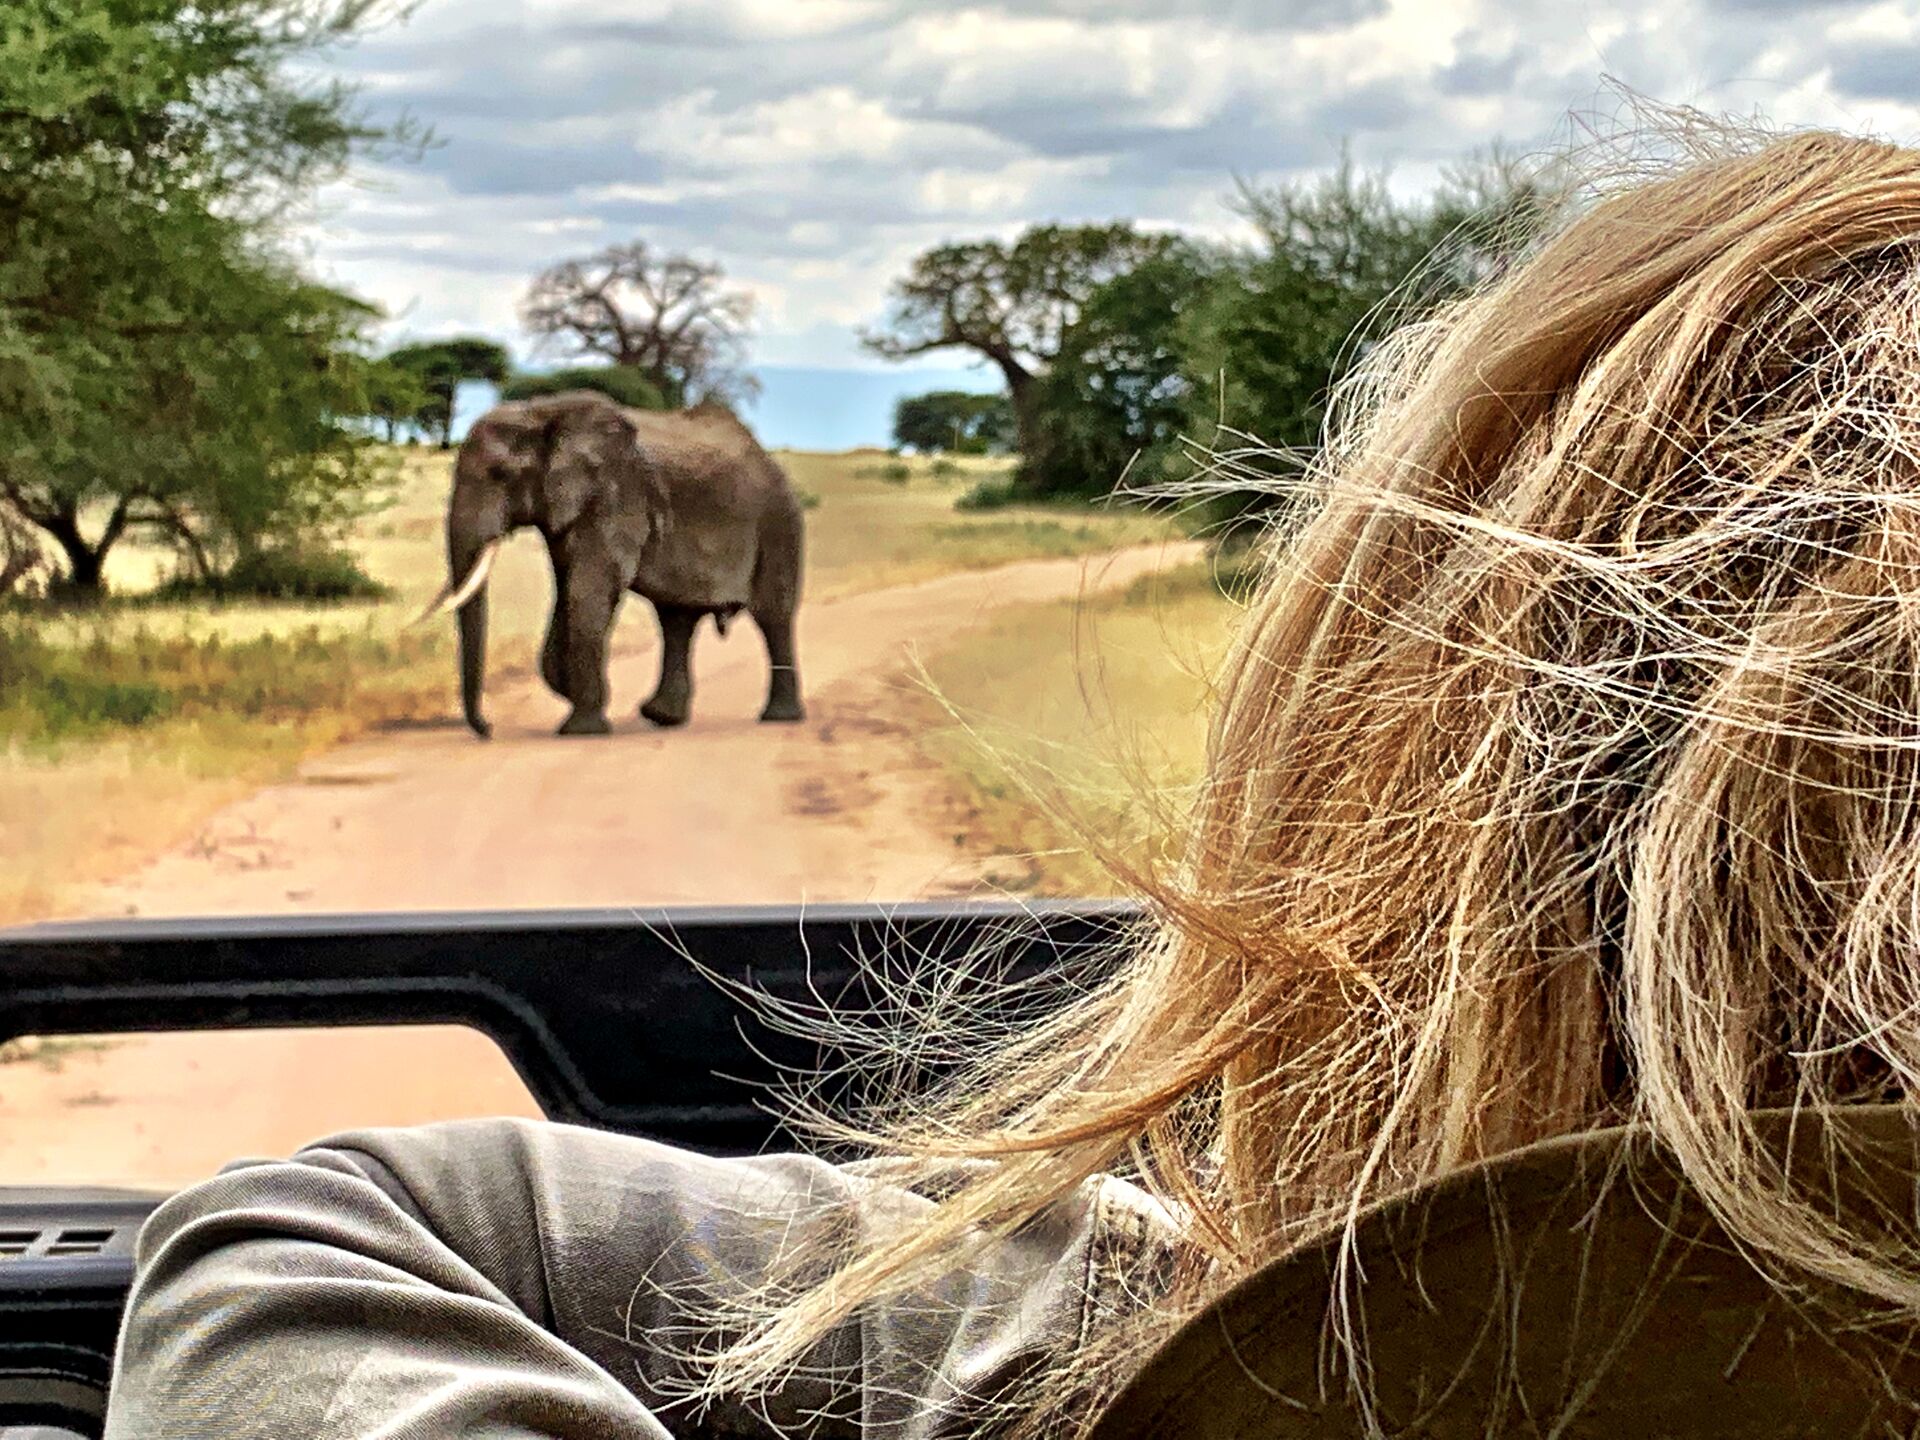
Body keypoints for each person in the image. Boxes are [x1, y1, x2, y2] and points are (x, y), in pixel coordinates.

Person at [105, 123, 1920, 1437]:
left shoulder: (1143, 1347)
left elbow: (296, 1239)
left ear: (1399, 902)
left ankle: (677, 690)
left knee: (662, 644)